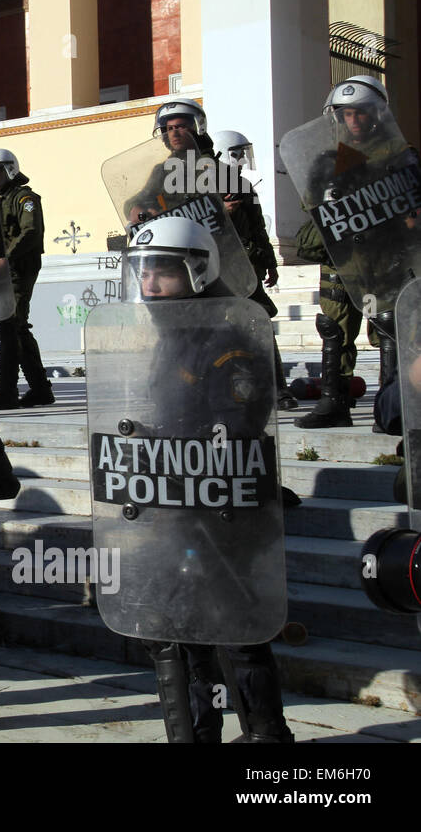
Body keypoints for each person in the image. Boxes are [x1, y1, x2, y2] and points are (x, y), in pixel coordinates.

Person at [119, 215, 294, 743]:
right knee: (182, 626)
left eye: (162, 273)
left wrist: (177, 447)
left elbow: (235, 428)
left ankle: (266, 738)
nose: (150, 285)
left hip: (222, 508)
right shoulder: (174, 332)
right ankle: (199, 731)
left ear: (196, 271)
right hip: (178, 500)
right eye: (143, 272)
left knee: (234, 625)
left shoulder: (226, 334)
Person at [294, 76, 412, 429]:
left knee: (388, 329)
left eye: (360, 113)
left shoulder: (400, 156)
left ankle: (390, 406)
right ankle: (334, 401)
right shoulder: (327, 160)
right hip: (341, 258)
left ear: (376, 114)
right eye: (346, 114)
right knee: (333, 328)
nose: (354, 121)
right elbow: (311, 207)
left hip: (383, 259)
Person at [213, 130, 299, 411]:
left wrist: (270, 263)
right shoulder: (202, 187)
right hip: (215, 271)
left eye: (242, 153)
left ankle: (277, 389)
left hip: (244, 270)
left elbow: (258, 229)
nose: (240, 159)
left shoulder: (243, 186)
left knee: (259, 323)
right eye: (235, 153)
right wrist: (221, 210)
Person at [0, 148, 51, 409]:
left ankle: (8, 392)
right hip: (4, 272)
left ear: (9, 169)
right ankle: (40, 388)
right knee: (17, 328)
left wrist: (5, 257)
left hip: (19, 269)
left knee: (10, 328)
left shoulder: (24, 199)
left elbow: (30, 232)